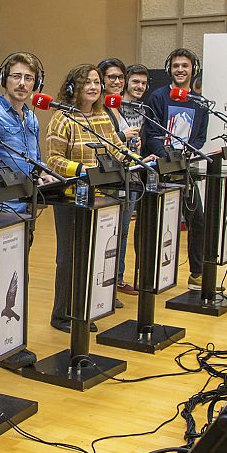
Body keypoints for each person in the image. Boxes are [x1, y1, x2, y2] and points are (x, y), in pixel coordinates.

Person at [45, 64, 125, 333]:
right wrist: (82, 170)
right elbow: (53, 161)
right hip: (70, 197)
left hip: (100, 196)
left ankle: (82, 309)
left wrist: (137, 160)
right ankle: (62, 315)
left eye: (96, 82)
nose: (94, 87)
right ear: (72, 88)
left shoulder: (103, 116)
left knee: (91, 255)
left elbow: (118, 148)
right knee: (69, 258)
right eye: (87, 82)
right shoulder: (62, 118)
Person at [141, 48, 207, 290]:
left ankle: (197, 274)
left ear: (193, 70)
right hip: (162, 169)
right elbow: (151, 133)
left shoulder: (200, 103)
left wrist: (188, 153)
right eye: (176, 65)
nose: (180, 69)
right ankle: (154, 274)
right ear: (170, 69)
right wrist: (167, 155)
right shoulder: (158, 97)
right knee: (161, 224)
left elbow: (200, 136)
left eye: (185, 66)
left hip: (185, 169)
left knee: (197, 220)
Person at [0, 52, 57, 215]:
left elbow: (35, 159)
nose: (22, 83)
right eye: (16, 76)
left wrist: (44, 174)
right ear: (4, 79)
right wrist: (5, 180)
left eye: (28, 78)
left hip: (29, 203)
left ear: (36, 83)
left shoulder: (32, 118)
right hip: (2, 207)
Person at [98, 58, 140, 299]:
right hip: (111, 180)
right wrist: (123, 137)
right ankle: (105, 283)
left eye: (120, 77)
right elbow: (105, 144)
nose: (116, 81)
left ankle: (117, 278)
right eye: (111, 77)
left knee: (123, 232)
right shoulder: (99, 109)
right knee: (110, 233)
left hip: (129, 175)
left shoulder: (118, 106)